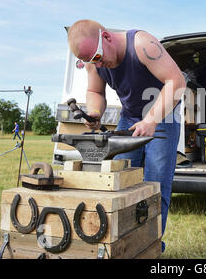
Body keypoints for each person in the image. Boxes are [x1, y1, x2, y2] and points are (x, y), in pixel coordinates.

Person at [67, 20, 186, 252]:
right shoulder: (95, 60)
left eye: (99, 57)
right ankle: (124, 245)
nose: (98, 64)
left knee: (155, 185)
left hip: (163, 117)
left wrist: (151, 119)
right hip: (130, 118)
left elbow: (177, 82)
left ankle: (150, 247)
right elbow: (95, 91)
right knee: (121, 182)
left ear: (107, 37)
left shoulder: (142, 44)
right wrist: (94, 112)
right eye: (92, 61)